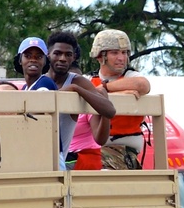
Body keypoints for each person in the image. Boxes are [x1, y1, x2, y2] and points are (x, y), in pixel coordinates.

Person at [47, 31, 115, 169]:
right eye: (57, 53)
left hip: (62, 160)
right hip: (37, 156)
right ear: (48, 54)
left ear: (74, 57)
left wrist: (76, 89)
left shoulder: (77, 81)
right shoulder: (41, 82)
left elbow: (109, 110)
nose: (62, 58)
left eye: (68, 55)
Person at [89, 29, 151, 169]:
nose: (121, 58)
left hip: (123, 151)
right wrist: (122, 93)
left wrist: (105, 88)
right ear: (100, 56)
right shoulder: (89, 80)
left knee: (100, 170)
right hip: (91, 149)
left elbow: (143, 85)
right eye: (115, 52)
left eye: (124, 53)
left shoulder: (131, 77)